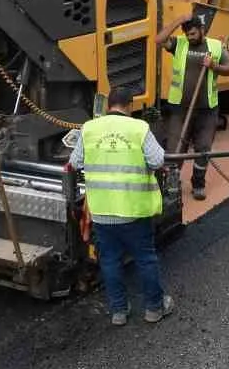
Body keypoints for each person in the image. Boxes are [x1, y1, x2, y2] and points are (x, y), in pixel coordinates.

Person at [68, 86, 173, 326]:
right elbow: (157, 160)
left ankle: (119, 312)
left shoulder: (89, 128)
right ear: (130, 105)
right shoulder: (139, 128)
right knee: (145, 259)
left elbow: (74, 163)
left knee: (110, 262)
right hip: (134, 211)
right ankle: (154, 308)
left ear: (108, 105)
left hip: (102, 213)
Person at [154, 11, 229, 201]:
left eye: (193, 33)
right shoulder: (179, 44)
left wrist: (214, 66)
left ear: (202, 30)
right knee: (175, 149)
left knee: (203, 148)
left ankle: (198, 183)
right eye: (187, 34)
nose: (190, 37)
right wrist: (179, 21)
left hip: (207, 110)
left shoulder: (215, 46)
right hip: (180, 109)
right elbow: (159, 39)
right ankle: (171, 183)